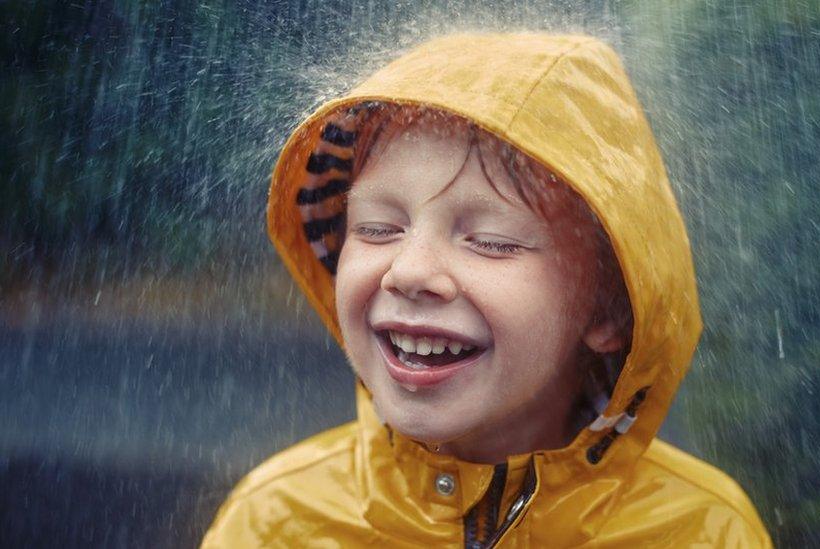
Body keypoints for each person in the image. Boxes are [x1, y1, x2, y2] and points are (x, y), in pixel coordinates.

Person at [202, 33, 772, 548]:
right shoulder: (275, 524)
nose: (410, 271)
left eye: (492, 241)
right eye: (378, 228)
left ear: (610, 307)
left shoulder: (703, 533)